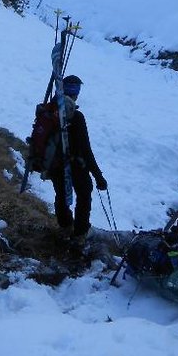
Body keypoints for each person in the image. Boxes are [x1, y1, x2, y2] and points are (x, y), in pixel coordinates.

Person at [49, 75, 107, 244]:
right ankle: (80, 234)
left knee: (60, 194)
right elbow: (86, 150)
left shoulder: (49, 109)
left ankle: (65, 227)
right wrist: (98, 177)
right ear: (75, 92)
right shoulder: (76, 116)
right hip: (75, 165)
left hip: (53, 163)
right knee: (84, 195)